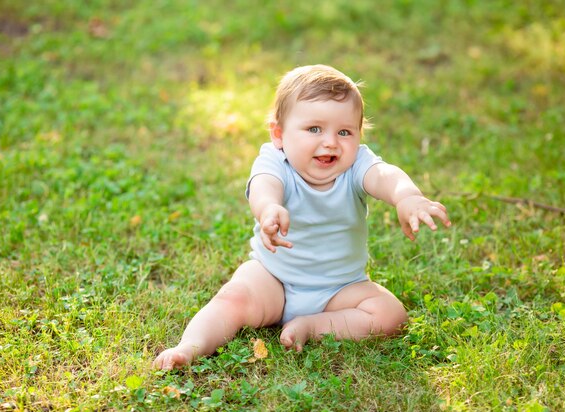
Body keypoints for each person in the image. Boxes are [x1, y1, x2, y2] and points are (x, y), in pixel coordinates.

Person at [153, 64, 451, 370]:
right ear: (279, 134)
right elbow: (263, 186)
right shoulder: (275, 160)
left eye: (344, 131)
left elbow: (386, 176)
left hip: (339, 288)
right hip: (274, 279)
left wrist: (407, 196)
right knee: (234, 298)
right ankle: (189, 347)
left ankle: (313, 326)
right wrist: (269, 207)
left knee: (391, 315)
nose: (331, 141)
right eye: (314, 129)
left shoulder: (357, 165)